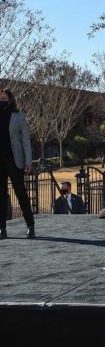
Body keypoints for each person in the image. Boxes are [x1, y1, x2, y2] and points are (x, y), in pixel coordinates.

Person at [0, 89, 36, 239]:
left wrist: (28, 162)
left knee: (21, 193)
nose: (1, 100)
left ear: (10, 100)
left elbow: (26, 141)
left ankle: (30, 226)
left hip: (15, 161)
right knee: (1, 196)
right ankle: (2, 228)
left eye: (3, 98)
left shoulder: (19, 116)